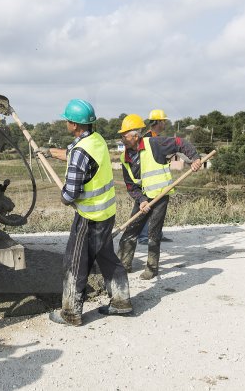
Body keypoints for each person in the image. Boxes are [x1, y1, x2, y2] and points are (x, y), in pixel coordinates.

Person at [48, 99, 133, 326]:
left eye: (68, 120)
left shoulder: (79, 153)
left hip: (89, 218)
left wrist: (64, 197)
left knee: (75, 262)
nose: (66, 123)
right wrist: (50, 152)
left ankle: (71, 313)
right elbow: (77, 155)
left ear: (74, 125)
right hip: (107, 213)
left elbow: (71, 194)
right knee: (106, 256)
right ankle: (121, 301)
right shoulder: (97, 141)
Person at [117, 114, 202, 280]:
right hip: (143, 198)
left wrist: (195, 158)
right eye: (121, 136)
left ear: (135, 136)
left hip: (160, 196)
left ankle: (151, 267)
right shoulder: (124, 157)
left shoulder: (154, 144)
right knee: (131, 230)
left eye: (124, 136)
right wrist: (141, 200)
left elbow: (180, 143)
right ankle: (123, 264)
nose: (122, 140)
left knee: (153, 232)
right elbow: (130, 185)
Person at [138, 109, 173, 245]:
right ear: (158, 122)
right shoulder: (148, 138)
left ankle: (157, 234)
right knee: (148, 208)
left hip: (159, 181)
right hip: (149, 181)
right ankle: (143, 236)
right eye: (164, 121)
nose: (165, 123)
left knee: (159, 209)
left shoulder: (156, 137)